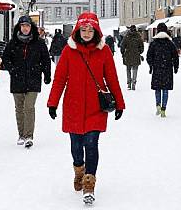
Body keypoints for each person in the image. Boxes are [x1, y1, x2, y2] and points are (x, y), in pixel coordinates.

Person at [47, 12, 125, 205]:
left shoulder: (104, 51)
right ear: (78, 30)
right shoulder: (68, 51)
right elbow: (60, 79)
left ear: (96, 31)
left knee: (91, 143)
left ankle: (89, 182)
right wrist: (52, 102)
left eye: (91, 29)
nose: (87, 33)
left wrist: (119, 103)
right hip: (73, 106)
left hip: (95, 107)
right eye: (84, 29)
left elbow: (112, 79)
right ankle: (79, 170)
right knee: (76, 146)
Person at [1, 15, 51, 148]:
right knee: (19, 108)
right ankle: (21, 134)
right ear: (19, 27)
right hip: (17, 80)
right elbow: (5, 59)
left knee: (29, 107)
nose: (25, 28)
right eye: (23, 26)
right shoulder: (13, 42)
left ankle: (29, 135)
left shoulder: (38, 43)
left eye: (27, 26)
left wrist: (46, 74)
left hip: (33, 79)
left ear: (31, 27)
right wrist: (12, 69)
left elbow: (46, 60)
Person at [146, 22, 179, 117]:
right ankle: (164, 108)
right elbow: (175, 56)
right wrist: (175, 67)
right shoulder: (170, 43)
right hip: (167, 70)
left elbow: (149, 56)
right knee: (165, 89)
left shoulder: (154, 43)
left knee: (157, 89)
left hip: (157, 70)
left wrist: (151, 65)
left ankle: (158, 105)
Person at [121, 25, 144, 90]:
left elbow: (122, 45)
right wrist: (139, 52)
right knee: (135, 69)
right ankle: (134, 83)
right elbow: (141, 46)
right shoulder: (138, 36)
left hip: (127, 55)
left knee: (128, 69)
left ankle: (129, 83)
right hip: (136, 55)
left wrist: (123, 53)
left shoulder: (126, 36)